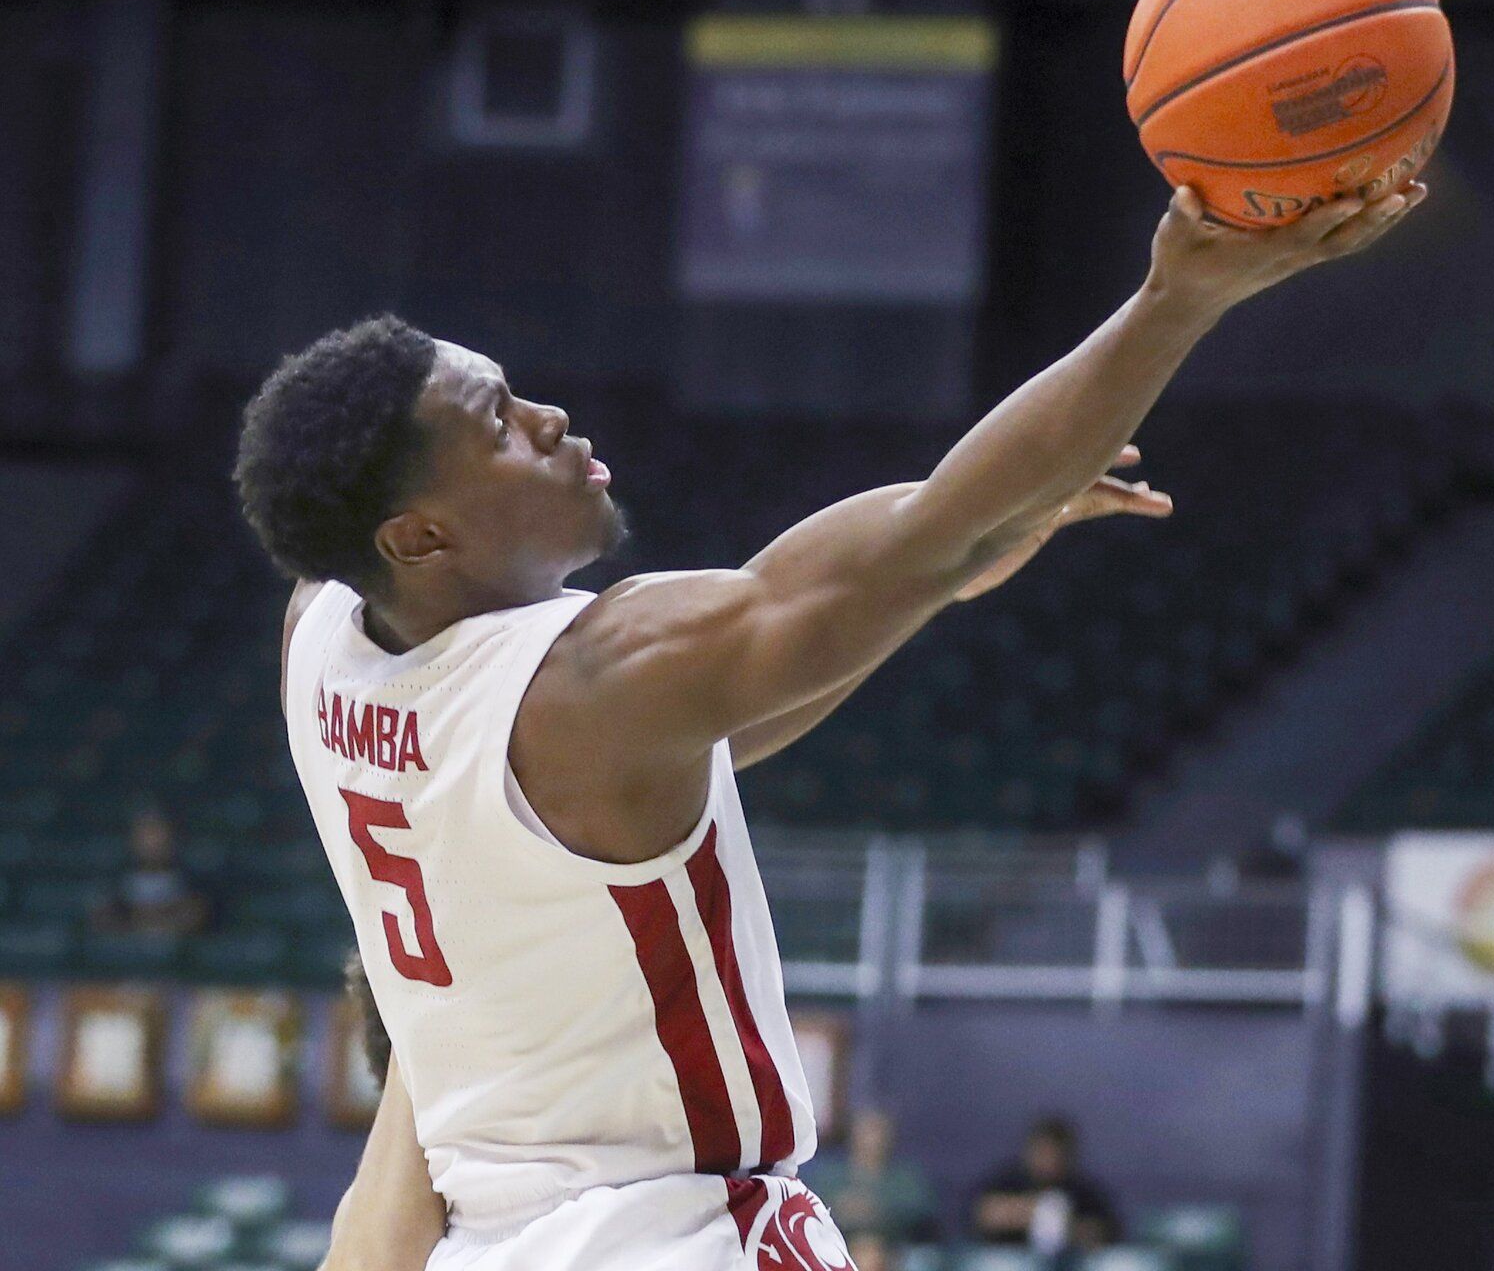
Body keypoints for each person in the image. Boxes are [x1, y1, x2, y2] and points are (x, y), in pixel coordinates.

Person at [234, 181, 1422, 1271]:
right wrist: (1179, 297)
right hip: (675, 1234)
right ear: (419, 538)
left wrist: (936, 575)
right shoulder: (594, 678)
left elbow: (665, 758)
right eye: (495, 424)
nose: (547, 417)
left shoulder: (324, 636)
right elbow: (928, 530)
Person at [970, 1115, 1121, 1255]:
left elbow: (1104, 1230)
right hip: (1011, 1258)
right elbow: (984, 1214)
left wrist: (1064, 1226)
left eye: (1056, 1155)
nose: (1048, 1162)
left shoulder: (1082, 1189)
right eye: (1043, 1152)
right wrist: (1032, 1213)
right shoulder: (1008, 1180)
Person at [809, 1109, 938, 1245]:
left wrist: (879, 1209)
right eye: (866, 1132)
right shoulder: (831, 1175)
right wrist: (841, 1209)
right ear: (853, 1135)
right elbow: (812, 1209)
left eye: (877, 1133)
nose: (871, 1140)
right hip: (841, 1243)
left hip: (893, 1246)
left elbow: (921, 1211)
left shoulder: (904, 1177)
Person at [89, 804, 209, 939]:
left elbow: (196, 917)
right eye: (146, 834)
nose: (152, 841)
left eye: (157, 832)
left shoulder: (194, 881)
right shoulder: (113, 881)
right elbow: (103, 920)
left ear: (171, 836)